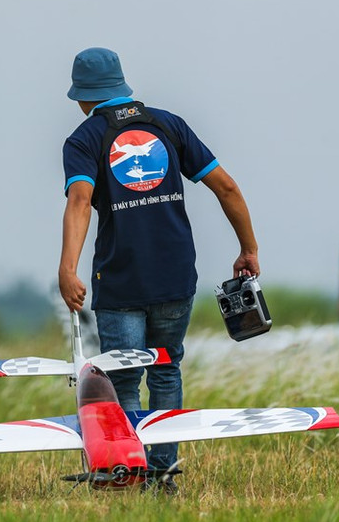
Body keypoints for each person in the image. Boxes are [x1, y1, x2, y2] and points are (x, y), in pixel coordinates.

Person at [58, 47, 260, 493]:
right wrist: (248, 248)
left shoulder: (84, 140)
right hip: (174, 274)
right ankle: (163, 475)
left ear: (82, 96)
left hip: (121, 278)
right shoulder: (168, 125)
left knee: (125, 376)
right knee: (166, 369)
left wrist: (67, 268)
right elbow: (225, 187)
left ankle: (129, 472)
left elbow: (80, 201)